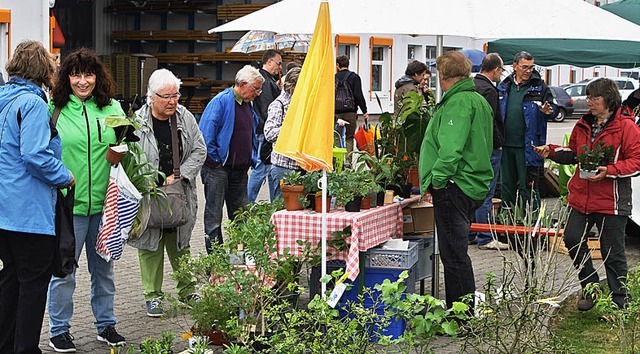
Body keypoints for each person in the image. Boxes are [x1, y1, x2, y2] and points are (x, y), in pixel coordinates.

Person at [47, 48, 127, 352]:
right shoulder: (54, 108)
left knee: (104, 271)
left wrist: (122, 152)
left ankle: (106, 325)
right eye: (76, 74)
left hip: (106, 206)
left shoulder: (112, 108)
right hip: (69, 205)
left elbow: (126, 148)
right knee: (64, 271)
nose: (83, 81)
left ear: (98, 77)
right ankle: (59, 330)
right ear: (67, 78)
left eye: (88, 74)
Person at [535, 78, 640, 311]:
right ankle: (590, 286)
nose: (589, 102)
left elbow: (637, 162)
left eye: (594, 98)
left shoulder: (627, 127)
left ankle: (620, 302)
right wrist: (550, 151)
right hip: (581, 198)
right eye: (588, 97)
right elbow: (573, 153)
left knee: (612, 252)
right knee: (572, 239)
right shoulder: (583, 124)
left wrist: (609, 171)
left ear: (609, 100)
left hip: (611, 201)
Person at [0, 40, 74, 354]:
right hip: (28, 212)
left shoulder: (4, 98)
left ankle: (6, 344)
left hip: (4, 210)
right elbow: (34, 155)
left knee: (11, 278)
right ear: (43, 69)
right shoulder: (31, 103)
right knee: (33, 284)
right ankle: (26, 348)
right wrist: (64, 175)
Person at [127, 69, 206, 317]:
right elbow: (128, 158)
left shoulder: (184, 118)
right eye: (166, 96)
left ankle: (187, 290)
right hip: (149, 195)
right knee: (150, 245)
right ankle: (153, 296)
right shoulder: (137, 122)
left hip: (178, 192)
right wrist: (143, 180)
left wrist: (180, 173)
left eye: (176, 95)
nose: (172, 101)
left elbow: (200, 150)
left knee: (180, 241)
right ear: (152, 97)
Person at [419, 51, 494, 310]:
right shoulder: (477, 99)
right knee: (456, 253)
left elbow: (451, 150)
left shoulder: (458, 103)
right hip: (471, 182)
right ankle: (462, 311)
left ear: (443, 76)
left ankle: (460, 315)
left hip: (455, 185)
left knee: (454, 256)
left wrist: (437, 180)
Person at [199, 65, 262, 252]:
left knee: (241, 218)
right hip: (218, 170)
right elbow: (205, 136)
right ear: (242, 84)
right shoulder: (221, 102)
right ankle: (215, 264)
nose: (258, 93)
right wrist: (216, 162)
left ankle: (238, 263)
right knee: (214, 219)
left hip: (239, 172)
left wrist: (252, 158)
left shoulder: (247, 104)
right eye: (255, 89)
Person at [497, 51, 555, 211]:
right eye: (524, 67)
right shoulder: (504, 86)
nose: (528, 71)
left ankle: (532, 225)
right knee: (506, 186)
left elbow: (554, 108)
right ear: (515, 66)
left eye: (531, 67)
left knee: (528, 186)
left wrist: (548, 111)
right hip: (506, 145)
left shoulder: (540, 87)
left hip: (529, 147)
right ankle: (506, 222)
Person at [468, 53, 509, 251]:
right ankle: (485, 236)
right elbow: (491, 121)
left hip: (474, 148)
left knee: (472, 189)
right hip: (489, 148)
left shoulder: (472, 86)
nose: (501, 74)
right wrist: (498, 142)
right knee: (487, 191)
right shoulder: (490, 91)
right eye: (501, 70)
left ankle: (471, 232)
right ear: (495, 70)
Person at [247, 50, 282, 203]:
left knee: (268, 168)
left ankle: (272, 202)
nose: (280, 67)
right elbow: (269, 108)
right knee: (262, 167)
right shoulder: (265, 82)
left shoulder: (268, 80)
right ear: (269, 62)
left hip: (262, 129)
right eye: (278, 63)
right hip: (265, 131)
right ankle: (247, 202)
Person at [265, 67, 303, 200]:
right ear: (292, 87)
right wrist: (290, 127)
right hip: (284, 166)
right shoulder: (278, 104)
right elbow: (269, 133)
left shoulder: (301, 104)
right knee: (282, 208)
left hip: (301, 165)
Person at [334, 54, 369, 167]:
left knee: (337, 136)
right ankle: (348, 161)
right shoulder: (354, 77)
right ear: (348, 64)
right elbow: (358, 95)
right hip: (350, 112)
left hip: (336, 113)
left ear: (337, 65)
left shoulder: (333, 78)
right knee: (349, 137)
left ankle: (336, 162)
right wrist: (364, 111)